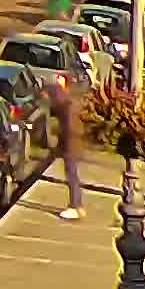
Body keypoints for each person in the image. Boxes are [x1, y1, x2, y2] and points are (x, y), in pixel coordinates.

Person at [53, 70, 86, 222]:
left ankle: (74, 206)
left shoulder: (69, 102)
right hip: (73, 143)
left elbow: (69, 125)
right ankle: (78, 205)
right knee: (73, 175)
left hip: (71, 144)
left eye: (60, 80)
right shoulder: (73, 99)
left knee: (72, 175)